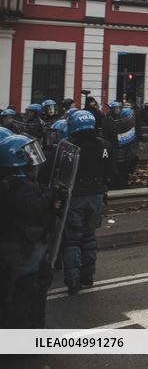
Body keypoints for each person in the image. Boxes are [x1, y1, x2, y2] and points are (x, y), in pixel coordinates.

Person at [0, 133, 61, 327]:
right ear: (18, 162)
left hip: (21, 244)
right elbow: (33, 207)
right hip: (20, 246)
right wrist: (52, 195)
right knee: (25, 290)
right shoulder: (15, 186)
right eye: (29, 157)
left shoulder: (16, 182)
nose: (34, 163)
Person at [61, 110, 114, 295]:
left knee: (72, 239)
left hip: (75, 196)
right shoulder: (105, 145)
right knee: (89, 236)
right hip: (97, 196)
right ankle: (88, 275)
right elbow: (111, 171)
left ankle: (73, 280)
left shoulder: (68, 147)